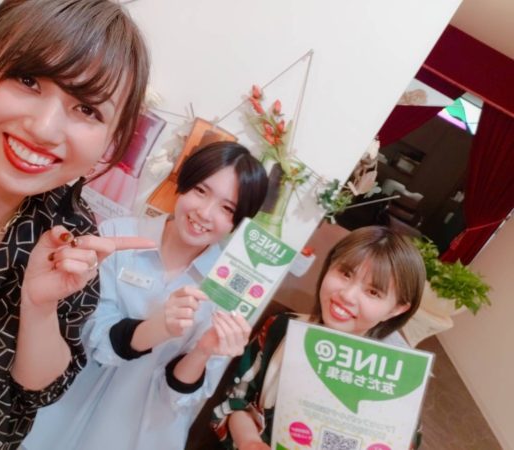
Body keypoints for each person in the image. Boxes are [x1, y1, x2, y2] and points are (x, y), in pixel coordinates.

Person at [0, 1, 152, 448]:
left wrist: (39, 307)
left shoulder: (73, 241)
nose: (44, 128)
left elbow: (37, 389)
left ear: (111, 138)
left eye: (87, 109)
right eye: (28, 80)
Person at [22, 142, 269, 450]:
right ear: (183, 183)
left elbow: (181, 398)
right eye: (201, 191)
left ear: (237, 222)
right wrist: (159, 327)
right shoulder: (117, 235)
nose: (205, 213)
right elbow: (89, 337)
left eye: (227, 208)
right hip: (57, 416)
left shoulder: (230, 288)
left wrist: (204, 350)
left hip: (141, 435)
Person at [211, 226, 426, 450]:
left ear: (397, 309)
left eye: (373, 292)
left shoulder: (399, 385)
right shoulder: (280, 328)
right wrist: (250, 442)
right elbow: (238, 400)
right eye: (346, 273)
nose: (347, 295)